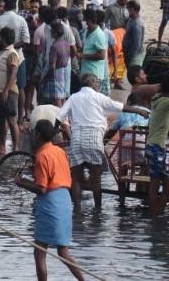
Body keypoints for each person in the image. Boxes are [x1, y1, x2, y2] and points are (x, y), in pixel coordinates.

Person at [56, 73, 148, 213]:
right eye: (97, 84)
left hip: (76, 138)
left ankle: (77, 210)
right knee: (96, 177)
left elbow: (60, 116)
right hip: (93, 137)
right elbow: (120, 106)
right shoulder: (98, 97)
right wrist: (139, 111)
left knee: (76, 178)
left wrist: (52, 132)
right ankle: (97, 210)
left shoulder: (73, 97)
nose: (98, 86)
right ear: (94, 85)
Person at [16, 120, 85, 281]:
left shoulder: (41, 155)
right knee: (63, 252)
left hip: (50, 204)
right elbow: (56, 173)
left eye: (34, 133)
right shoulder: (60, 152)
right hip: (65, 201)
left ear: (38, 135)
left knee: (39, 251)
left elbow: (42, 188)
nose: (33, 135)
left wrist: (22, 183)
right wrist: (36, 170)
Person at [0, 0, 30, 122]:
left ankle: (4, 117)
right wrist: (13, 46)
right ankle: (19, 118)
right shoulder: (21, 20)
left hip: (3, 58)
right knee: (20, 88)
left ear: (5, 5)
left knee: (3, 88)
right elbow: (26, 40)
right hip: (19, 58)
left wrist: (8, 46)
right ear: (15, 6)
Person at [0, 27, 20, 155]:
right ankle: (2, 147)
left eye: (0, 38)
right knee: (2, 118)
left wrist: (6, 90)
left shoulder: (12, 53)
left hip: (8, 91)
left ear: (4, 39)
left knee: (11, 119)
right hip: (0, 91)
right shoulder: (4, 52)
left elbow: (14, 71)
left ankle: (16, 148)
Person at [145, 73, 169, 217]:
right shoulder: (165, 102)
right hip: (156, 148)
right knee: (162, 185)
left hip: (153, 147)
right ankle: (156, 216)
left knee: (155, 184)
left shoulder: (159, 100)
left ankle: (155, 216)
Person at [39, 22, 70, 106]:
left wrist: (44, 79)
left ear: (55, 33)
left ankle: (60, 117)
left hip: (55, 74)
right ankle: (64, 116)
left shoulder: (55, 46)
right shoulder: (66, 43)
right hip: (63, 72)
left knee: (57, 98)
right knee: (62, 96)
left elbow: (52, 67)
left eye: (52, 31)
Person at [78, 9, 108, 94]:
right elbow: (87, 47)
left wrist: (84, 56)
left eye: (84, 19)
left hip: (95, 75)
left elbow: (102, 55)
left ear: (89, 21)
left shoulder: (99, 34)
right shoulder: (86, 32)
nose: (83, 21)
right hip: (85, 73)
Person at [122, 0, 144, 67]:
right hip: (129, 54)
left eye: (127, 8)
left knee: (134, 75)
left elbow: (136, 45)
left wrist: (129, 56)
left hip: (134, 57)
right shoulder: (130, 20)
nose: (125, 10)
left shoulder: (137, 25)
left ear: (132, 9)